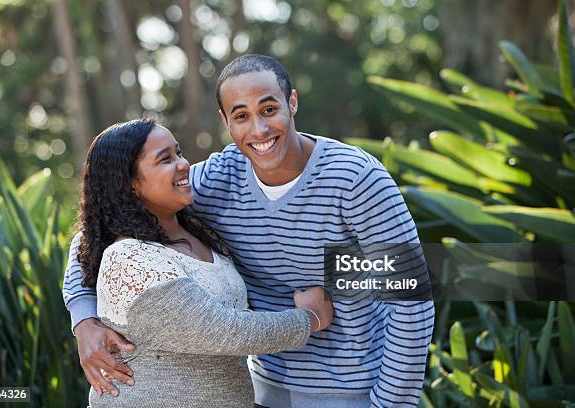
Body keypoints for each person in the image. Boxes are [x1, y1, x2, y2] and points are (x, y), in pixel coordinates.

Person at [64, 54, 435, 407]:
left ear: (292, 103)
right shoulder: (217, 180)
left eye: (269, 109)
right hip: (263, 394)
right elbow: (100, 227)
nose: (259, 129)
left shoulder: (354, 180)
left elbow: (409, 299)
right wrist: (84, 319)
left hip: (352, 396)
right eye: (242, 116)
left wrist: (390, 403)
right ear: (226, 120)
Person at [72, 118, 334, 407]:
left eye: (179, 152)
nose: (184, 165)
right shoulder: (129, 257)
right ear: (130, 184)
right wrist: (310, 317)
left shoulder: (196, 223)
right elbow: (224, 332)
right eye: (165, 159)